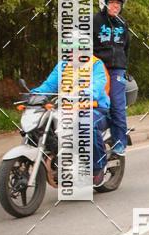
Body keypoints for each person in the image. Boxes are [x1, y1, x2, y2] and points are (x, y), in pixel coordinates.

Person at [32, 32, 110, 186]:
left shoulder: (96, 64)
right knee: (40, 122)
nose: (72, 53)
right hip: (68, 109)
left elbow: (98, 85)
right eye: (69, 49)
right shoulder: (63, 65)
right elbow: (48, 85)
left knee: (85, 124)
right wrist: (34, 95)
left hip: (95, 108)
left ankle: (98, 167)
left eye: (76, 49)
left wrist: (84, 93)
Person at [93, 0, 130, 156]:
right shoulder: (94, 20)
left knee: (117, 105)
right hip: (96, 67)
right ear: (104, 2)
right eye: (113, 2)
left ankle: (120, 142)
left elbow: (126, 47)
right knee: (92, 102)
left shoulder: (123, 24)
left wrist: (124, 67)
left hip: (117, 70)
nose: (116, 6)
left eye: (119, 4)